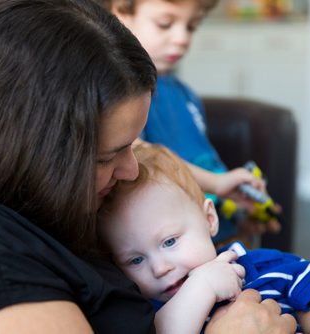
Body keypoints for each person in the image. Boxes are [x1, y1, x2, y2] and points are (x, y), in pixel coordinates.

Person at [0, 0, 297, 333]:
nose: (131, 171)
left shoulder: (57, 208)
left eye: (132, 146)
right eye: (107, 156)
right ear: (29, 149)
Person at [98, 143, 310, 333]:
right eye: (135, 259)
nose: (160, 268)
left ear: (209, 220)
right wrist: (202, 286)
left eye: (169, 242)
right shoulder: (148, 309)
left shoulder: (260, 265)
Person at [95, 0, 281, 244]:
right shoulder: (126, 97)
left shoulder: (186, 95)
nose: (182, 38)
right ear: (121, 13)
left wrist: (239, 209)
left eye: (191, 27)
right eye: (165, 24)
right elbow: (140, 153)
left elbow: (205, 161)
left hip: (219, 230)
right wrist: (217, 183)